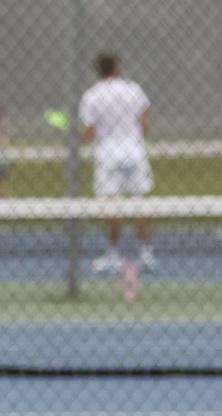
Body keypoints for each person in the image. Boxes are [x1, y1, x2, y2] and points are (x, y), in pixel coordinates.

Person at [79, 52, 155, 272]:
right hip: (134, 151)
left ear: (98, 70)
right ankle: (146, 253)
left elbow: (90, 133)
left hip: (107, 156)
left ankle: (113, 255)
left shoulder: (92, 96)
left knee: (111, 205)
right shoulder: (133, 90)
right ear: (117, 68)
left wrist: (79, 138)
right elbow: (145, 123)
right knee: (140, 203)